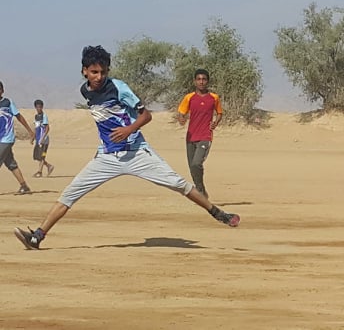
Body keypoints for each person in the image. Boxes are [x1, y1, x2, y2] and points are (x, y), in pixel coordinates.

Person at [14, 46, 240, 250]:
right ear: (85, 71)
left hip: (136, 153)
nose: (99, 77)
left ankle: (218, 213)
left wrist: (128, 130)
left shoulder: (119, 88)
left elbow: (146, 115)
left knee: (178, 183)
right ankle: (37, 236)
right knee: (70, 193)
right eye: (94, 72)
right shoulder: (86, 92)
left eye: (103, 72)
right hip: (106, 156)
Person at [177, 69, 222, 198]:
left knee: (197, 163)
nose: (201, 82)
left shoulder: (214, 98)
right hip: (191, 136)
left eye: (204, 79)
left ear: (207, 81)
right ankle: (200, 189)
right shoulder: (189, 97)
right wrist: (181, 119)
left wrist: (215, 122)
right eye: (199, 79)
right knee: (192, 167)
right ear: (194, 81)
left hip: (205, 136)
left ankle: (200, 190)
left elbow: (219, 113)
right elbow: (181, 113)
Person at [0, 81, 34, 194]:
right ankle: (24, 186)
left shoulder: (7, 102)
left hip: (6, 139)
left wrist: (30, 131)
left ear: (2, 90)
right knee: (11, 163)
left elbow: (19, 117)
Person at [32, 99, 55, 178]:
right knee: (37, 157)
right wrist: (33, 137)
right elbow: (36, 128)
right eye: (37, 107)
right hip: (38, 140)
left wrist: (43, 138)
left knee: (42, 156)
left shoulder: (44, 116)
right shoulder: (36, 117)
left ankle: (39, 172)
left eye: (40, 107)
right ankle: (49, 166)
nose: (39, 108)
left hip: (44, 141)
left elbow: (47, 128)